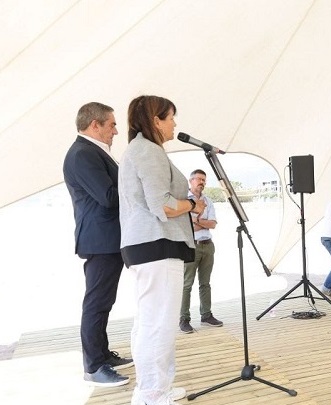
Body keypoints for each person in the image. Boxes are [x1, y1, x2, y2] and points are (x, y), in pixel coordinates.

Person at [119, 95, 201, 404]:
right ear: (156, 120)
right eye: (171, 118)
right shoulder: (149, 151)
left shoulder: (140, 150)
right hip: (157, 244)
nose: (175, 124)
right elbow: (163, 205)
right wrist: (192, 204)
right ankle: (152, 392)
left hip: (146, 245)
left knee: (149, 320)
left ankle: (157, 386)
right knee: (159, 322)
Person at [63, 102, 132, 387]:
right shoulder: (83, 154)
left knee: (104, 302)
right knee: (96, 304)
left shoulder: (90, 152)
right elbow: (108, 196)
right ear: (95, 125)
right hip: (101, 240)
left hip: (106, 240)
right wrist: (137, 183)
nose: (116, 131)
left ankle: (102, 355)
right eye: (112, 124)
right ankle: (93, 367)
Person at [179, 169, 223, 334]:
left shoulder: (208, 201)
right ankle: (184, 319)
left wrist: (197, 220)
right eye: (198, 179)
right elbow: (187, 225)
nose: (201, 182)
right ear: (191, 181)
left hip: (208, 245)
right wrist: (200, 222)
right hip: (192, 245)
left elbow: (212, 224)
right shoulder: (184, 200)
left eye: (204, 179)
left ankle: (206, 315)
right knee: (187, 284)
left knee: (205, 283)